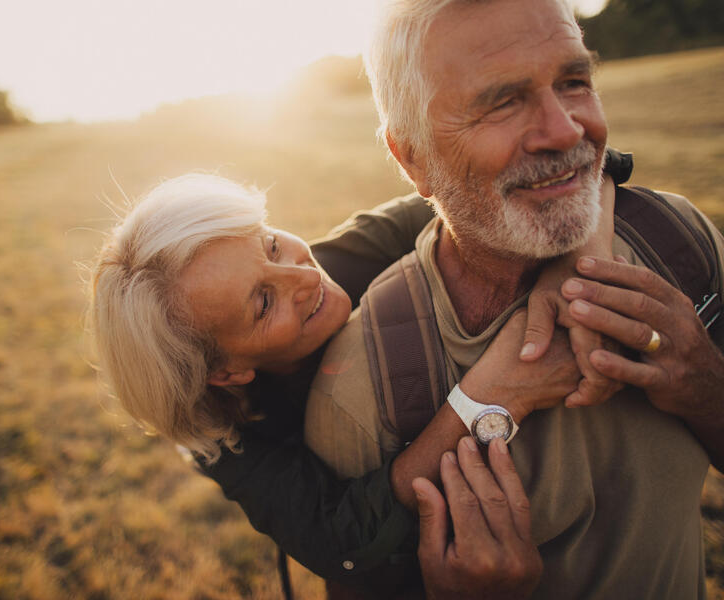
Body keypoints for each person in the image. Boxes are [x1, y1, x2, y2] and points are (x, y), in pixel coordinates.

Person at [304, 0, 724, 597]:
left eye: (574, 82)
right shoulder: (362, 392)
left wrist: (706, 385)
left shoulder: (676, 241)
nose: (566, 130)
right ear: (412, 158)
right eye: (501, 101)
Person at [88, 160, 623, 593]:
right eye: (263, 303)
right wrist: (490, 396)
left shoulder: (339, 255)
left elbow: (554, 168)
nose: (303, 273)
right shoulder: (224, 439)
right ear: (227, 373)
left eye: (271, 244)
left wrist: (579, 271)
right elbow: (339, 537)